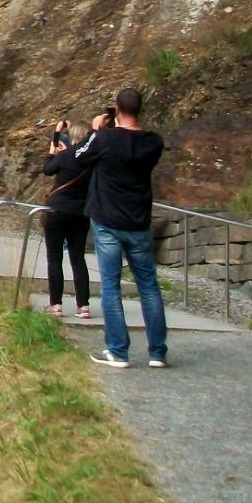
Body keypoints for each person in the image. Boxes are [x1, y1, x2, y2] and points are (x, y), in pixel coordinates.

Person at [79, 87, 168, 369]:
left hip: (107, 221)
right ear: (140, 110)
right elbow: (131, 145)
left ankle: (117, 351)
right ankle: (157, 352)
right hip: (139, 221)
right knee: (149, 288)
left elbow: (80, 156)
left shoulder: (104, 139)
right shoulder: (153, 142)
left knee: (110, 286)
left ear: (116, 108)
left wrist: (96, 130)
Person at [40, 121, 95, 319]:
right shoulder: (92, 161)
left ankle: (56, 304)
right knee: (78, 258)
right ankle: (83, 305)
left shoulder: (65, 156)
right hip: (80, 213)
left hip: (57, 210)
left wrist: (53, 150)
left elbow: (47, 169)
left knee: (54, 258)